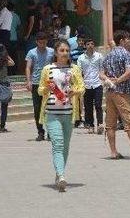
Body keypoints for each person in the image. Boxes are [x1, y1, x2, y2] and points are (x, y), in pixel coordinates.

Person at [38, 40, 84, 192]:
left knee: (65, 146)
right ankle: (62, 175)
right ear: (56, 53)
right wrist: (47, 88)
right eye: (62, 50)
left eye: (67, 50)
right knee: (57, 144)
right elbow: (40, 90)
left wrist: (74, 91)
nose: (65, 53)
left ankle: (59, 174)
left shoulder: (75, 69)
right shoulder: (48, 69)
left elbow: (82, 88)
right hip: (52, 113)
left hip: (69, 113)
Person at [100, 30, 130, 159]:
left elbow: (101, 74)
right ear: (121, 41)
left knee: (110, 123)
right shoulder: (126, 54)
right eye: (127, 39)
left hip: (110, 92)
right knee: (129, 121)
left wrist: (109, 80)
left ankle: (113, 152)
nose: (129, 41)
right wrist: (117, 80)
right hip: (123, 91)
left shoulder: (107, 56)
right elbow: (129, 73)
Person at [25, 32, 55, 141]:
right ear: (37, 42)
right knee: (37, 109)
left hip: (49, 84)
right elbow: (28, 67)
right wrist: (29, 81)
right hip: (36, 83)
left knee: (50, 109)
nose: (42, 44)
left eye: (44, 42)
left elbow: (55, 65)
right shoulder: (31, 52)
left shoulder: (51, 52)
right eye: (40, 42)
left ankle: (50, 132)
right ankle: (40, 132)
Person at [77, 37, 104, 134]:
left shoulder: (99, 56)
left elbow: (102, 69)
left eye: (92, 44)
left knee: (98, 105)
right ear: (84, 46)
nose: (90, 46)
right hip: (86, 85)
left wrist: (104, 80)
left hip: (97, 84)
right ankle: (91, 125)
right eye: (88, 44)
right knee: (88, 107)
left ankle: (100, 124)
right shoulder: (81, 58)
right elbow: (79, 72)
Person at [8, 3, 21, 74]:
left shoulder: (5, 16)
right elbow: (19, 26)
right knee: (14, 55)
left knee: (7, 55)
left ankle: (9, 71)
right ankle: (14, 71)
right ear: (14, 9)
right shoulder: (16, 16)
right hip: (14, 38)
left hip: (7, 38)